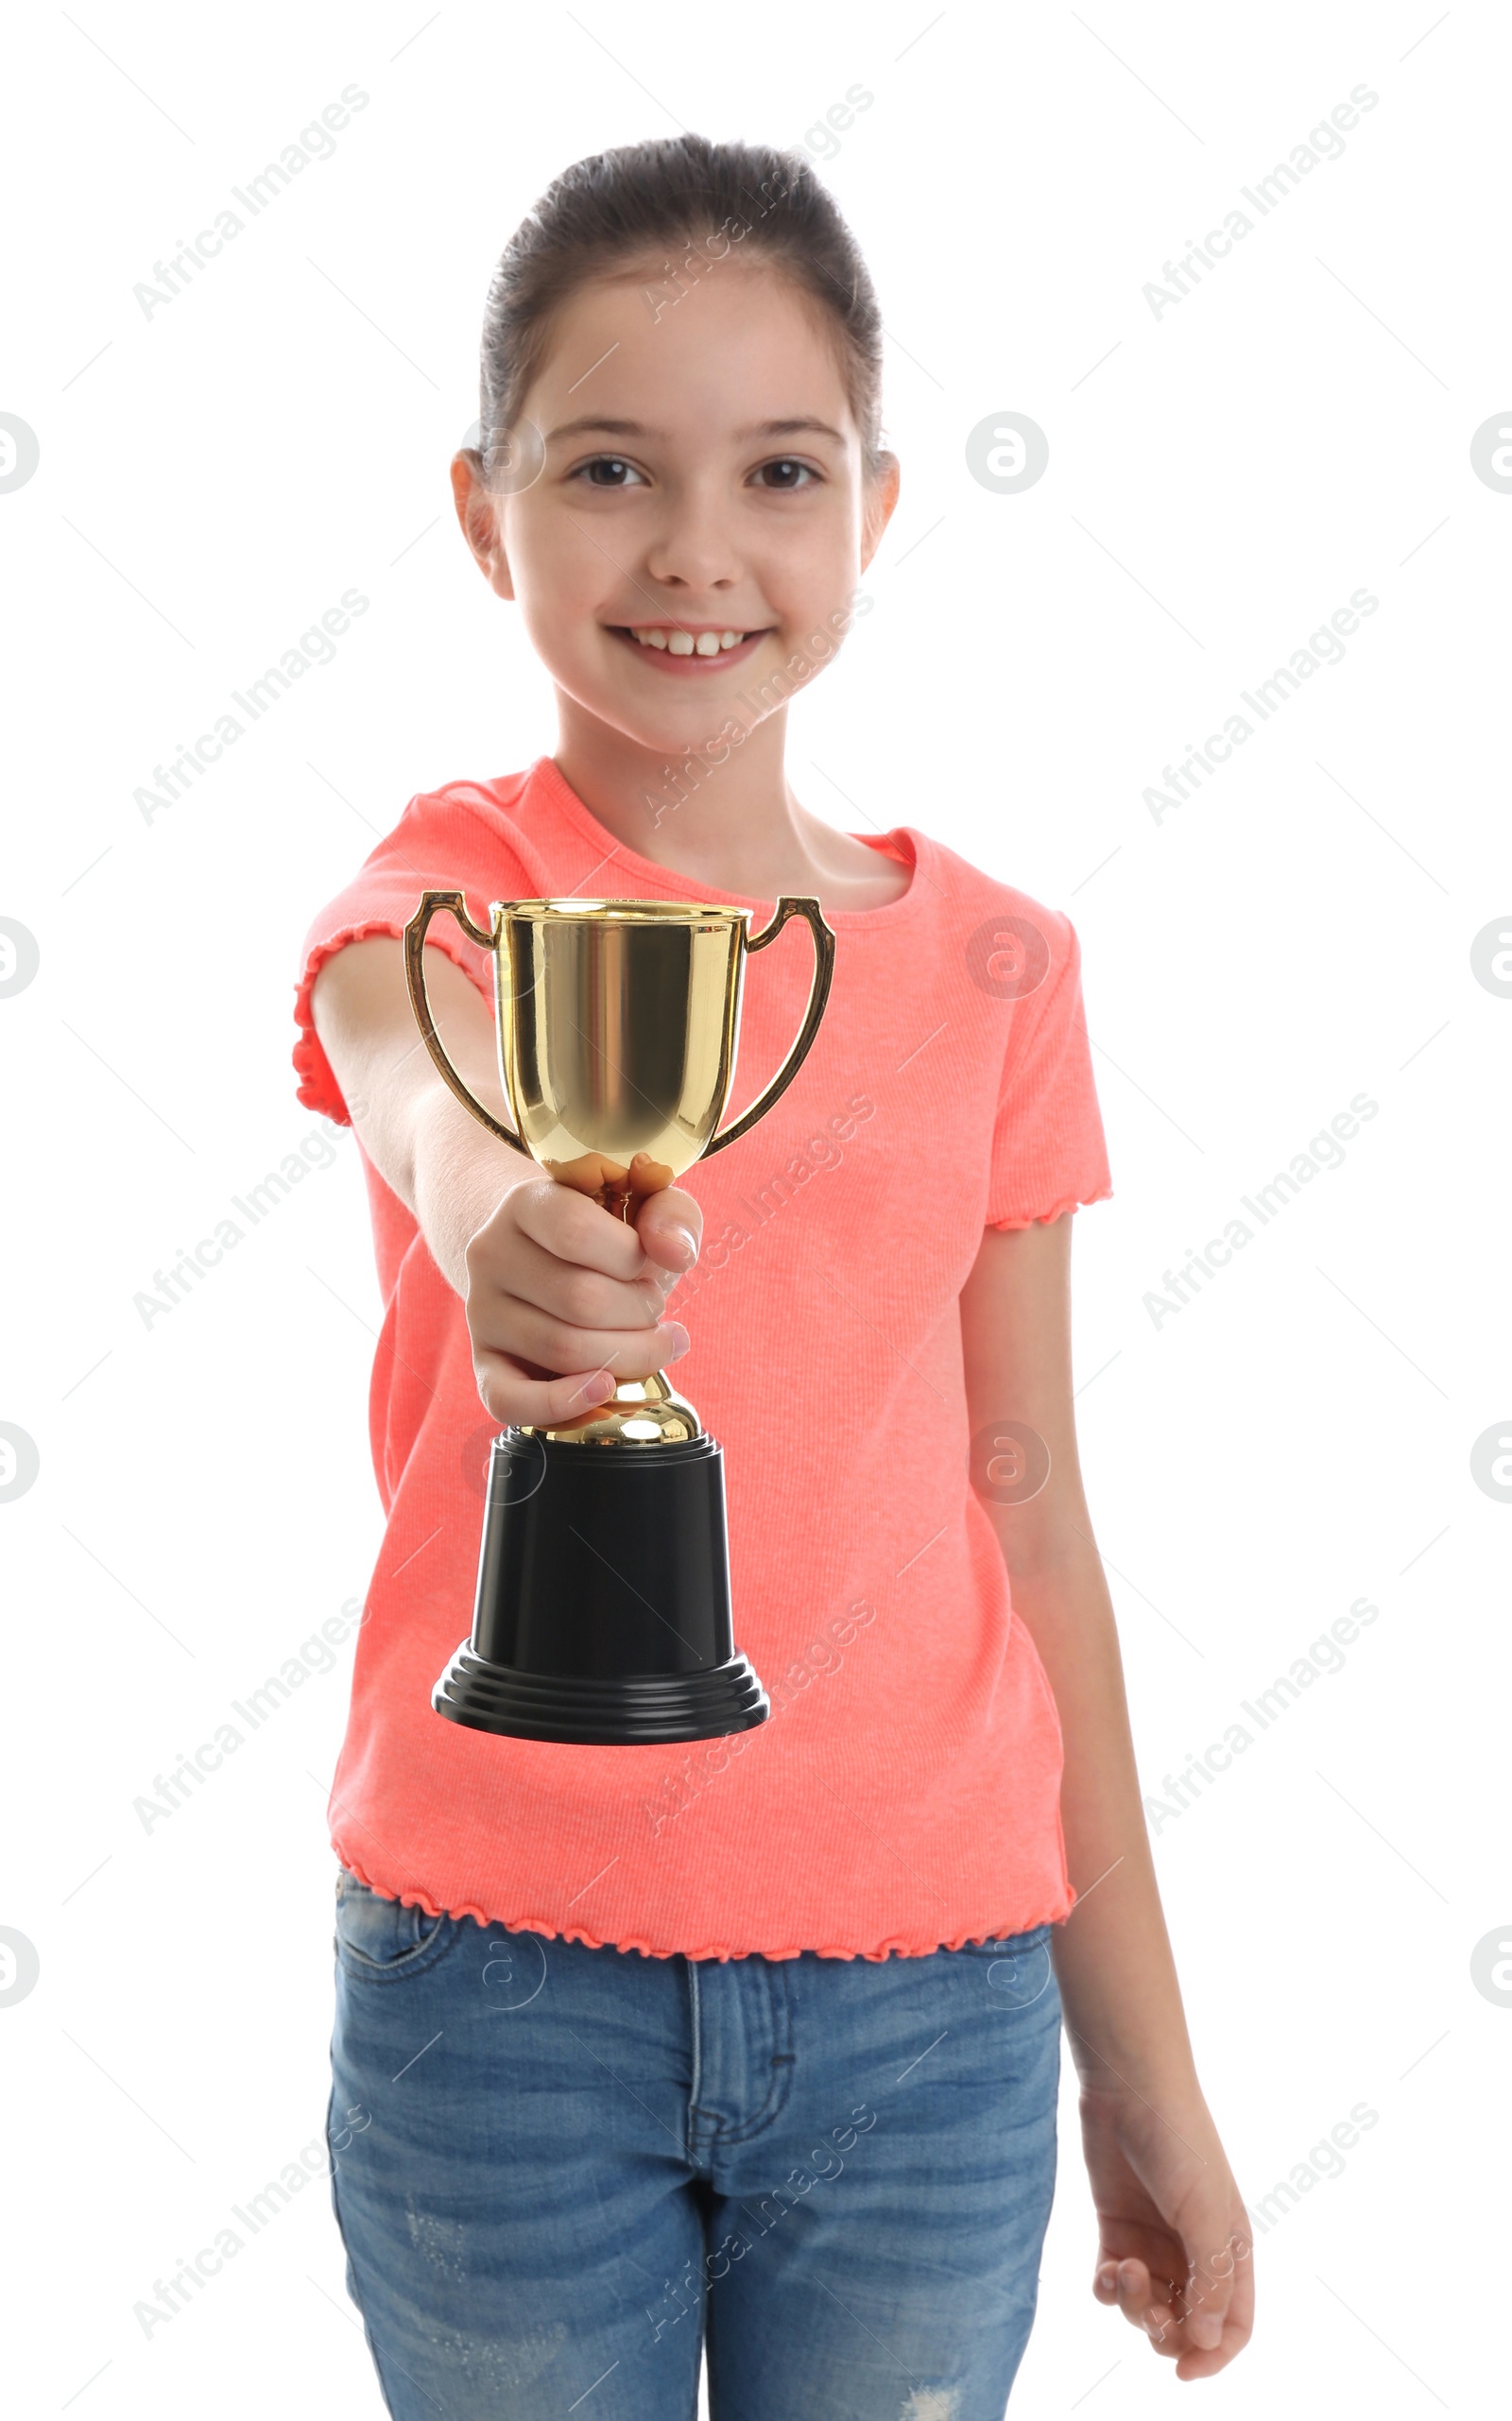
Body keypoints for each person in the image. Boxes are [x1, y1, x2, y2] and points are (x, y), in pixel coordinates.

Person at [296, 133, 1253, 2420]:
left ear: (875, 512)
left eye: (778, 470)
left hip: (933, 2011)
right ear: (480, 508)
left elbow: (1031, 1527)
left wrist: (1144, 2078)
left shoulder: (1001, 966)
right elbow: (395, 1048)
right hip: (496, 1993)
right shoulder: (458, 886)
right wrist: (474, 1201)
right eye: (608, 467)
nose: (696, 549)